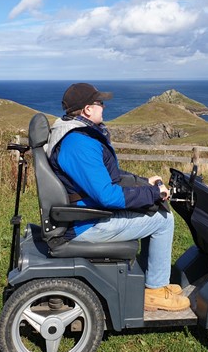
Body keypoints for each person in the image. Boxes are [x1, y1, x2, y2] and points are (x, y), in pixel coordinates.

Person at [46, 83, 189, 312]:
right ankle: (154, 291)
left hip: (86, 213)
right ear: (86, 110)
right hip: (86, 223)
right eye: (99, 103)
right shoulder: (79, 143)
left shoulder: (75, 135)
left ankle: (151, 280)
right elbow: (107, 195)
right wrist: (152, 194)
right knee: (163, 220)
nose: (103, 107)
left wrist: (143, 183)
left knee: (152, 210)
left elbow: (109, 176)